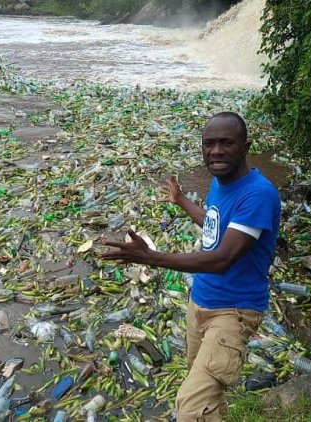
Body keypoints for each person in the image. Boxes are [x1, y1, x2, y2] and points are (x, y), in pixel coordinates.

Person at [101, 112, 281, 421]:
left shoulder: (258, 194)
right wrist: (182, 200)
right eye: (209, 144)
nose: (216, 151)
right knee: (208, 398)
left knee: (191, 406)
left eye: (226, 143)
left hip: (233, 312)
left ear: (245, 146)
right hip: (200, 303)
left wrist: (152, 258)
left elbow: (222, 257)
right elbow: (216, 226)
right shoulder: (220, 182)